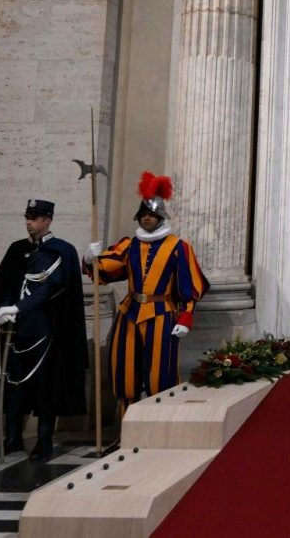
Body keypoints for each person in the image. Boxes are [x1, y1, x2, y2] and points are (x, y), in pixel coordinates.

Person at [0, 199, 88, 460]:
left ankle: (44, 439)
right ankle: (13, 437)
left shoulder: (61, 251)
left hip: (45, 329)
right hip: (16, 331)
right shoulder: (17, 250)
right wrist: (4, 309)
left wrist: (19, 307)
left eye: (35, 218)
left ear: (48, 220)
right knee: (14, 384)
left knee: (45, 385)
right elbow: (6, 285)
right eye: (28, 217)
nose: (29, 222)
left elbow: (51, 286)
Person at [85, 172, 208, 411]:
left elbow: (190, 285)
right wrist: (92, 258)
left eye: (152, 214)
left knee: (160, 376)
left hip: (163, 315)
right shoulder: (129, 245)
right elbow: (106, 270)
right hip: (129, 314)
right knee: (126, 375)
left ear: (161, 217)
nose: (147, 219)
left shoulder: (179, 248)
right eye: (143, 215)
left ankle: (159, 428)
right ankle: (126, 430)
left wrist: (186, 316)